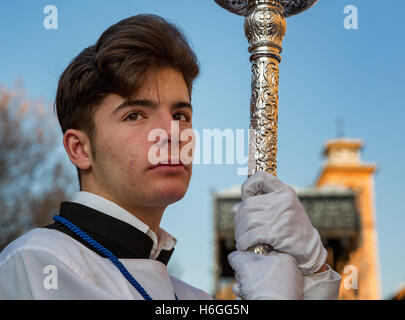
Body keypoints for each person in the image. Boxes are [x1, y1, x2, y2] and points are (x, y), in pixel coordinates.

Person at [0, 14, 341, 300]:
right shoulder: (38, 261)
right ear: (80, 149)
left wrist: (312, 272)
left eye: (180, 115)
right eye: (135, 115)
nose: (172, 133)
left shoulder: (191, 297)